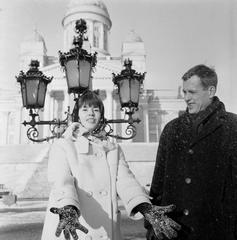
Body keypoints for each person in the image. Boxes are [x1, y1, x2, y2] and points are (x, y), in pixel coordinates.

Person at [41, 90, 181, 240]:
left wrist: (144, 206)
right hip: (74, 225)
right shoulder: (64, 145)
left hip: (106, 230)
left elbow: (126, 180)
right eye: (85, 109)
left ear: (101, 115)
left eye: (96, 110)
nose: (91, 114)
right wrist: (68, 208)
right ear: (77, 115)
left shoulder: (112, 148)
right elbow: (61, 180)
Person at [146, 64, 237, 240]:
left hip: (218, 232)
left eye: (192, 92)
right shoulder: (172, 129)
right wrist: (151, 226)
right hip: (175, 233)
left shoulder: (232, 128)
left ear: (210, 91)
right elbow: (157, 186)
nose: (186, 98)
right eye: (184, 92)